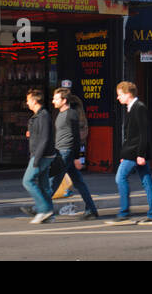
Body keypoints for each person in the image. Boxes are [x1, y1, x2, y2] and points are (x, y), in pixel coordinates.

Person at [112, 82, 152, 224]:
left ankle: (124, 212)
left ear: (128, 94)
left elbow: (143, 133)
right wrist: (123, 155)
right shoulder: (131, 108)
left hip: (135, 152)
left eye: (120, 95)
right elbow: (130, 134)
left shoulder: (139, 108)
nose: (118, 98)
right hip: (132, 152)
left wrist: (140, 154)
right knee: (146, 181)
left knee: (120, 177)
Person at [52, 88, 98, 219]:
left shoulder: (71, 114)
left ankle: (40, 208)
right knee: (79, 182)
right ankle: (92, 210)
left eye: (56, 98)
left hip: (66, 151)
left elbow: (76, 136)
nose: (53, 101)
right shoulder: (60, 114)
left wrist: (77, 157)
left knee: (53, 180)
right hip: (62, 151)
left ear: (64, 100)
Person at [22, 89, 58, 224]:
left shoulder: (43, 115)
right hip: (42, 154)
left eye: (28, 100)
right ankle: (49, 214)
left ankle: (43, 210)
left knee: (27, 181)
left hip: (42, 155)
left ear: (34, 101)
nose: (27, 103)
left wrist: (36, 158)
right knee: (44, 186)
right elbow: (40, 135)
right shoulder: (38, 116)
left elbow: (45, 138)